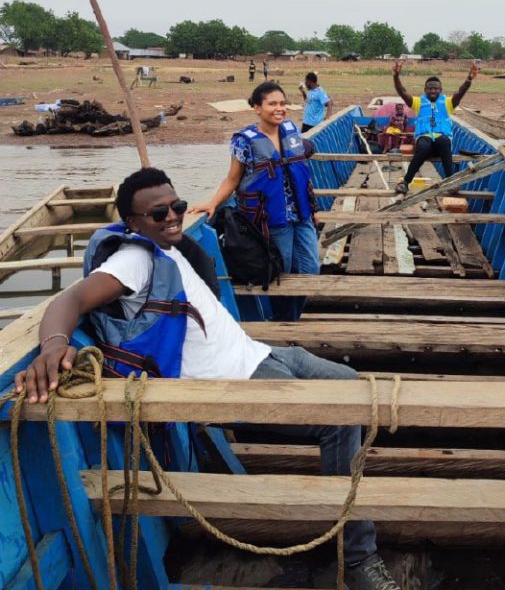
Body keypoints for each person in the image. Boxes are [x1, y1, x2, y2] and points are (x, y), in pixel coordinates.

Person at [14, 167, 400, 590]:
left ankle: (342, 491)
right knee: (341, 418)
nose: (172, 217)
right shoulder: (134, 259)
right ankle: (358, 558)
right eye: (158, 213)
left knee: (355, 386)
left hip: (264, 354)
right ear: (133, 223)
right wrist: (53, 344)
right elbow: (71, 297)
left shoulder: (170, 244)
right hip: (236, 382)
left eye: (176, 206)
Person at [190, 81, 320, 321]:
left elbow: (300, 169)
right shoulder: (244, 141)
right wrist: (212, 202)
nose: (279, 108)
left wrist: (314, 211)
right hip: (271, 220)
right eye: (272, 104)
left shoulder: (290, 130)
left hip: (301, 216)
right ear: (257, 108)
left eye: (282, 103)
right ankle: (286, 322)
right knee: (281, 273)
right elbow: (232, 179)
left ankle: (295, 315)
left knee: (311, 268)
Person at [392, 60, 477, 194]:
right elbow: (402, 91)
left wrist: (468, 79)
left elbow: (460, 92)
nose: (433, 91)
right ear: (425, 90)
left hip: (441, 143)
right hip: (424, 140)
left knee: (444, 142)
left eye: (436, 88)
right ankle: (406, 182)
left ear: (440, 90)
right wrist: (396, 76)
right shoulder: (418, 102)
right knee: (423, 146)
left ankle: (450, 182)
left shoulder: (448, 103)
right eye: (430, 88)